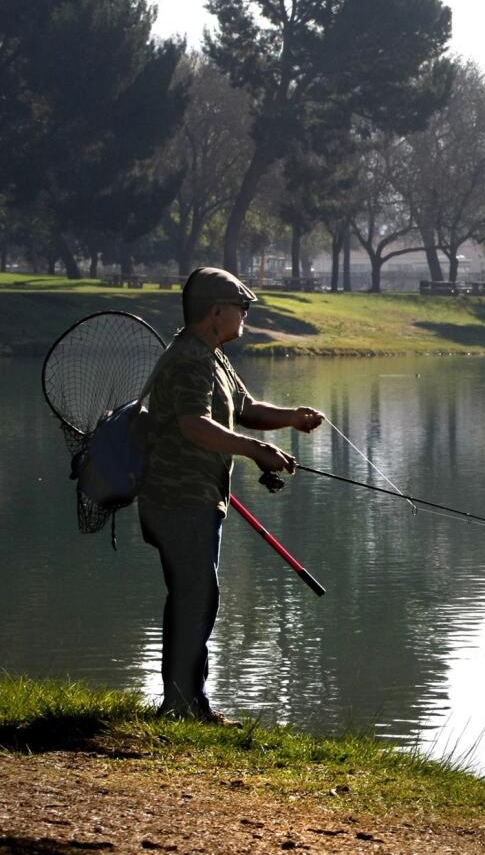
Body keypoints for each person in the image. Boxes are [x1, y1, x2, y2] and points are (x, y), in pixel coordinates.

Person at [139, 267, 325, 723]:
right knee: (195, 595)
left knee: (196, 594)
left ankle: (186, 702)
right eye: (241, 308)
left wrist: (291, 419)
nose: (245, 315)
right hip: (177, 499)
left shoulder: (212, 356)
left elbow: (245, 409)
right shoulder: (189, 359)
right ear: (215, 313)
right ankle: (183, 705)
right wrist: (256, 451)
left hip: (198, 498)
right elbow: (193, 424)